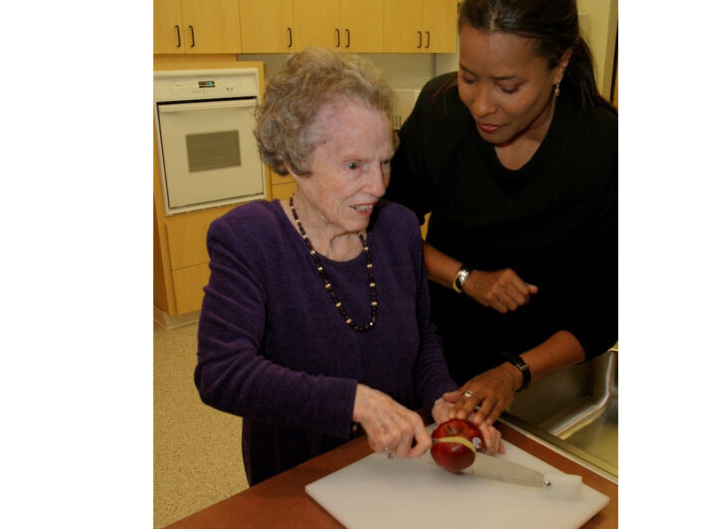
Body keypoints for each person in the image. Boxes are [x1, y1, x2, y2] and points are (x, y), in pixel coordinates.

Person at [194, 47, 502, 486]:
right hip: (301, 476)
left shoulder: (397, 228)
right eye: (354, 165)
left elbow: (423, 338)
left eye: (385, 162)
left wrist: (441, 400)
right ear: (294, 160)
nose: (376, 187)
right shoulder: (248, 239)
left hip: (398, 463)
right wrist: (354, 402)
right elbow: (221, 373)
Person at [383, 0, 618, 427]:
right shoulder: (441, 111)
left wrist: (515, 373)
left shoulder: (603, 149)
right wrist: (467, 278)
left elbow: (604, 311)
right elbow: (389, 226)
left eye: (508, 86)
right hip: (435, 360)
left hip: (541, 378)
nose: (481, 104)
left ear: (559, 65)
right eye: (469, 76)